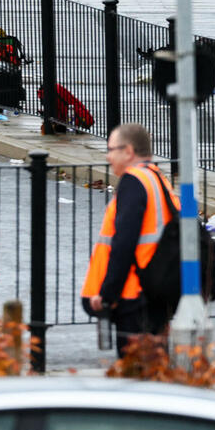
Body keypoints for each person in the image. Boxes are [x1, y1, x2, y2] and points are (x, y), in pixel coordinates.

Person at [81, 123, 180, 355]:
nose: (108, 156)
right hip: (156, 293)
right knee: (154, 368)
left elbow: (123, 243)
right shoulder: (157, 179)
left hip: (133, 295)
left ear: (128, 151)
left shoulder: (134, 182)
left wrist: (107, 295)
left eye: (111, 149)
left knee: (135, 371)